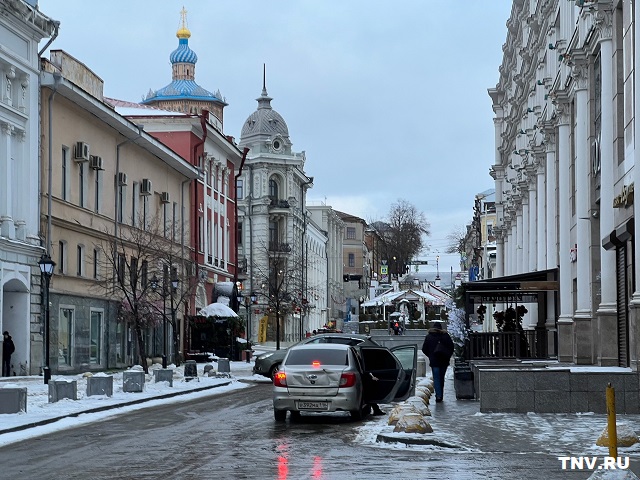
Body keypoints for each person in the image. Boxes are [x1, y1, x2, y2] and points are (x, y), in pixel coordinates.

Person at [421, 321, 454, 402]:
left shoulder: (429, 336)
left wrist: (430, 355)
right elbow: (452, 347)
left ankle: (438, 395)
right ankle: (440, 394)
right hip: (444, 360)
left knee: (436, 378)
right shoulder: (446, 336)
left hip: (434, 360)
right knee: (441, 377)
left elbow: (424, 349)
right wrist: (448, 355)